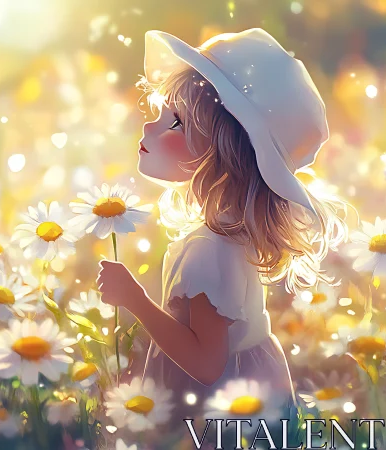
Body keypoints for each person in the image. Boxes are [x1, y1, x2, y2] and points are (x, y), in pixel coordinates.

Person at [95, 28, 348, 438]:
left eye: (175, 123)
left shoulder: (208, 250)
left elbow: (206, 365)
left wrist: (134, 301)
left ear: (222, 152)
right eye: (158, 113)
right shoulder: (225, 236)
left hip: (222, 410)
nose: (149, 128)